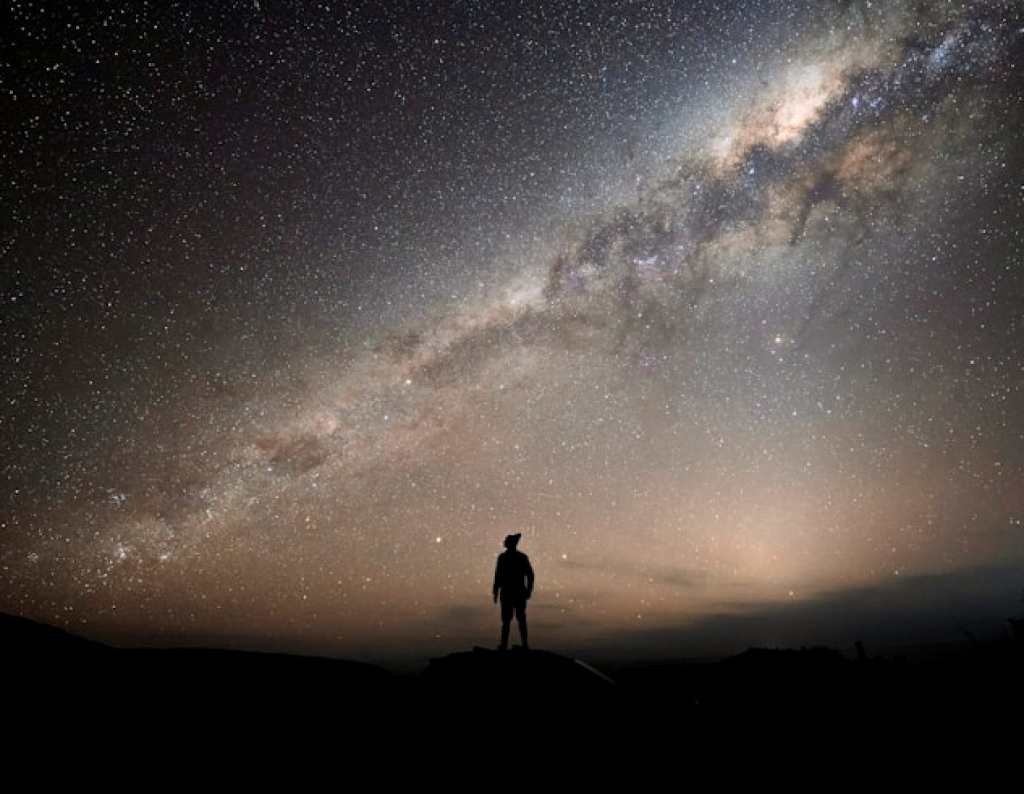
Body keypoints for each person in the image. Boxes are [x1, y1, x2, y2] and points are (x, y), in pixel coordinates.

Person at [492, 533, 534, 651]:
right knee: (513, 620)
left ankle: (513, 644)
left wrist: (529, 589)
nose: (504, 542)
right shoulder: (515, 557)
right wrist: (495, 591)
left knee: (514, 619)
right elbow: (498, 576)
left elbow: (530, 574)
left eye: (506, 540)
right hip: (513, 592)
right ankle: (513, 644)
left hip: (513, 592)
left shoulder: (508, 557)